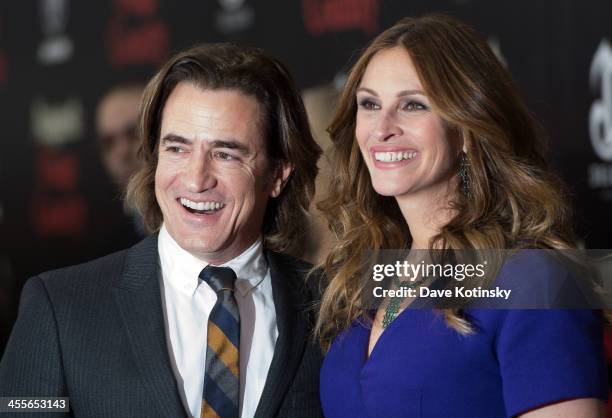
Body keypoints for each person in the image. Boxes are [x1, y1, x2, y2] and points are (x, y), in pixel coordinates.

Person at [1, 43, 323, 418]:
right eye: (177, 149)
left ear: (278, 174)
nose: (196, 179)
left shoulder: (333, 304)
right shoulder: (59, 308)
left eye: (226, 153)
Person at [316, 14, 608, 418]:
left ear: (467, 127)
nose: (381, 128)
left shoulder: (534, 281)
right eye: (369, 104)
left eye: (413, 105)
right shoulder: (362, 278)